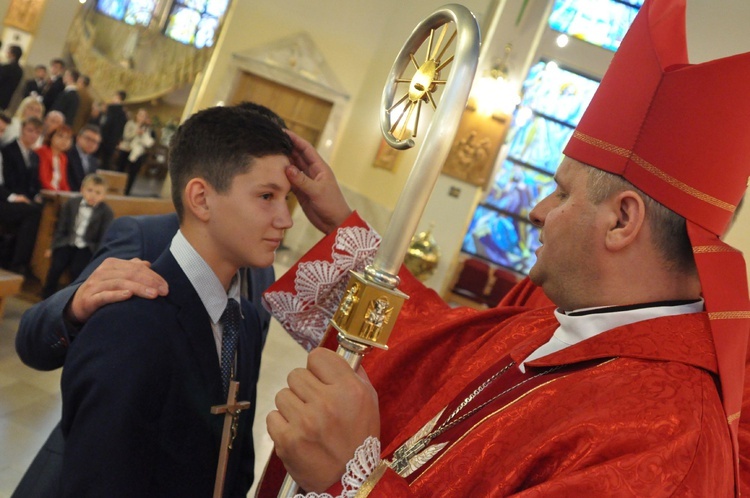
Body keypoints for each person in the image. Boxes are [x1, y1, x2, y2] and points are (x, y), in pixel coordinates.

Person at [258, 1, 749, 495]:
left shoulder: (668, 439)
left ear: (621, 220)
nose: (536, 210)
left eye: (561, 192)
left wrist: (353, 479)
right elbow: (424, 347)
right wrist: (340, 224)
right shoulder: (560, 328)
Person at [42, 174, 113, 298]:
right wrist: (52, 247)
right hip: (67, 242)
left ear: (104, 196)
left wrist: (98, 256)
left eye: (98, 192)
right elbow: (61, 228)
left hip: (87, 246)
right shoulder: (71, 204)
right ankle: (46, 296)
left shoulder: (106, 212)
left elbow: (103, 236)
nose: (93, 195)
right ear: (82, 189)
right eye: (89, 190)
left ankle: (69, 298)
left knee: (77, 270)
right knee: (56, 266)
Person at [0, 116, 43, 275]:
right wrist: (15, 196)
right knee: (32, 212)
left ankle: (29, 262)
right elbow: (7, 182)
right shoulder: (8, 150)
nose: (33, 135)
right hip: (8, 197)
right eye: (30, 130)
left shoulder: (34, 156)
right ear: (22, 130)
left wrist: (36, 195)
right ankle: (17, 264)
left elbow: (34, 182)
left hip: (20, 197)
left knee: (41, 209)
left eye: (37, 132)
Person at [117, 107, 155, 195]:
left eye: (144, 116)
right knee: (120, 170)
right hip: (126, 149)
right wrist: (136, 132)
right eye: (140, 115)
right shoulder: (130, 123)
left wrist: (144, 136)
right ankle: (116, 188)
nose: (142, 117)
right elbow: (126, 136)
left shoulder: (146, 128)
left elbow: (148, 141)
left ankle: (126, 191)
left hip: (137, 152)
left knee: (132, 173)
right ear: (137, 115)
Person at [96, 90, 127, 170]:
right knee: (106, 160)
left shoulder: (113, 110)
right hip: (112, 141)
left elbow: (106, 124)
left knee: (99, 158)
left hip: (105, 138)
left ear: (118, 97)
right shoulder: (123, 114)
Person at [36, 124, 73, 191]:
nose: (64, 140)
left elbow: (63, 183)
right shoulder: (42, 152)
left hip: (56, 194)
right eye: (60, 136)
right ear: (51, 137)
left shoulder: (63, 158)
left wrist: (67, 195)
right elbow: (43, 179)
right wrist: (58, 195)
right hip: (43, 191)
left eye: (68, 138)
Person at [66, 124, 101, 191]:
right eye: (88, 139)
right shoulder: (68, 154)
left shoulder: (94, 161)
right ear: (78, 138)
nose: (91, 143)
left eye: (95, 142)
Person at [0, 45, 23, 110]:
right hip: (6, 100)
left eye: (8, 51)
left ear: (12, 54)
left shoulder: (6, 67)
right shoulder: (20, 70)